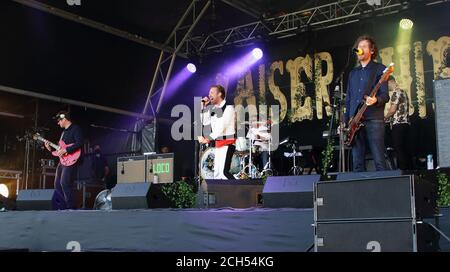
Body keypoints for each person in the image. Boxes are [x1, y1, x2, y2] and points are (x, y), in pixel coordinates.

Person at [344, 35, 390, 172]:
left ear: (371, 50)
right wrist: (346, 120)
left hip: (374, 119)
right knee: (357, 162)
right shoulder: (353, 73)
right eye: (359, 47)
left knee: (379, 160)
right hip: (354, 122)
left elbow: (385, 95)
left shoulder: (380, 68)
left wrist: (376, 100)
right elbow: (349, 98)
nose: (360, 49)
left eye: (364, 46)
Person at [45, 111, 83, 209]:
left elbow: (80, 143)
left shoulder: (76, 128)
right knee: (57, 183)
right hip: (62, 161)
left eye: (59, 121)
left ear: (64, 119)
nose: (58, 123)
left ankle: (71, 208)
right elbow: (60, 148)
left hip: (71, 160)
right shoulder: (63, 133)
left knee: (65, 182)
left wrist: (66, 150)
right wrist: (50, 148)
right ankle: (61, 206)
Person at [198, 85, 236, 179]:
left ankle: (241, 192)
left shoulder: (228, 108)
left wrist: (207, 139)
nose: (209, 94)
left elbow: (221, 127)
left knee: (224, 173)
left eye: (212, 92)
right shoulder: (213, 109)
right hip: (219, 144)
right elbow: (205, 121)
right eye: (209, 92)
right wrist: (203, 108)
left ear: (219, 94)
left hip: (227, 143)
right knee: (217, 175)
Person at [384, 76, 411, 170]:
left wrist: (384, 118)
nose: (387, 87)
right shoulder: (403, 92)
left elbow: (392, 110)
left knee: (398, 148)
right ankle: (408, 169)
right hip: (405, 123)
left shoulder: (396, 92)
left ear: (390, 82)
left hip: (398, 124)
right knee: (404, 148)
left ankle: (402, 170)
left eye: (386, 84)